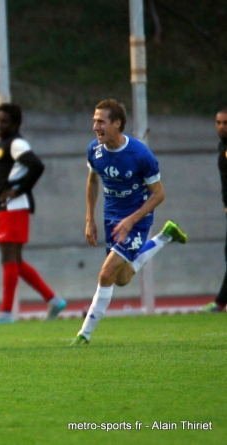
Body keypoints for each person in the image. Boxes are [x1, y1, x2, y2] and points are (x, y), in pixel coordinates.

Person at [71, 99, 188, 345]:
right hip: (111, 218)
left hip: (137, 219)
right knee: (121, 279)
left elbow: (159, 194)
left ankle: (84, 334)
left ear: (117, 124)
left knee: (105, 274)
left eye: (100, 121)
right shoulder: (95, 150)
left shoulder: (140, 154)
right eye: (94, 120)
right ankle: (166, 236)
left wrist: (131, 219)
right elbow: (93, 180)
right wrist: (89, 218)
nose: (95, 126)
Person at [0, 103, 66, 322]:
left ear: (15, 123)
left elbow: (37, 166)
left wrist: (17, 190)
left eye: (4, 121)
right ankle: (53, 300)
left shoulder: (16, 143)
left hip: (13, 208)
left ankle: (6, 313)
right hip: (7, 209)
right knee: (16, 261)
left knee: (8, 258)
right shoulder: (5, 143)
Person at [200, 108, 227, 313]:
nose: (221, 127)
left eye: (225, 123)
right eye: (218, 122)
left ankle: (220, 302)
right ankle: (220, 302)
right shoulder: (222, 146)